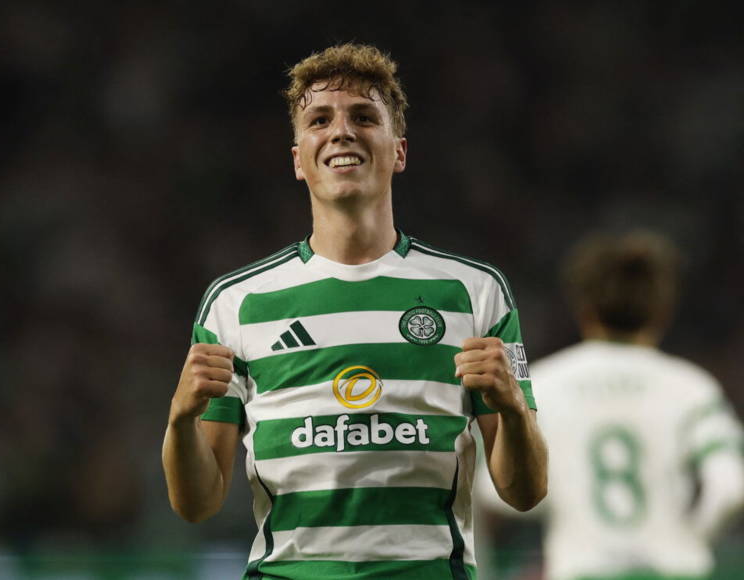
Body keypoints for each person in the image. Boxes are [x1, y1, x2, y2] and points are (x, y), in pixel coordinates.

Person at [162, 43, 547, 580]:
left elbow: (525, 492)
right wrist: (180, 420)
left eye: (363, 117)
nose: (341, 131)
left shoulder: (478, 292)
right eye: (319, 120)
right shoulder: (235, 303)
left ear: (399, 151)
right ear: (298, 160)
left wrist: (513, 409)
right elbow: (197, 503)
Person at [477, 230, 744, 580]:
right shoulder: (691, 387)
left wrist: (567, 493)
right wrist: (690, 541)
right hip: (674, 571)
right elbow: (730, 488)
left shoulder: (542, 384)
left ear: (583, 308)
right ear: (662, 310)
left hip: (583, 570)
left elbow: (494, 491)